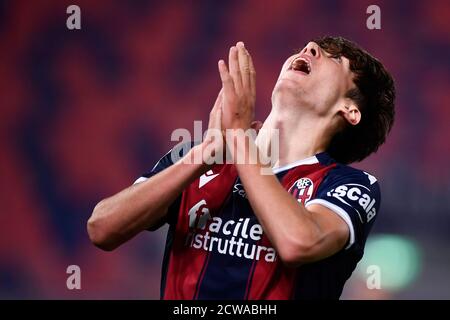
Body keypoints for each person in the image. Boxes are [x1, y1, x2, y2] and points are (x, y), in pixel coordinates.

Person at [87, 36, 395, 299]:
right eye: (311, 46)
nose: (310, 47)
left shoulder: (351, 185)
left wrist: (237, 137)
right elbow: (102, 229)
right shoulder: (200, 156)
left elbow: (297, 242)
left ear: (350, 110)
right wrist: (207, 151)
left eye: (335, 59)